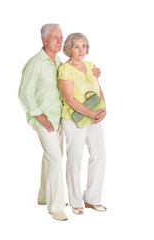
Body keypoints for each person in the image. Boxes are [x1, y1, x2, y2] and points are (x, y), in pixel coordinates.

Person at [18, 24, 100, 221]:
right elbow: (24, 94)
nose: (59, 41)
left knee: (52, 157)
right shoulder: (36, 63)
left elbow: (74, 78)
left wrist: (94, 72)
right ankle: (55, 206)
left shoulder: (59, 62)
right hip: (44, 119)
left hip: (59, 118)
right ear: (43, 40)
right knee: (55, 158)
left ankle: (44, 196)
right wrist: (40, 116)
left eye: (61, 37)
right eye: (54, 37)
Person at [57, 33, 107, 215]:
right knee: (75, 158)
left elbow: (98, 90)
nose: (81, 50)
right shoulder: (64, 69)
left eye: (84, 46)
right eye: (76, 46)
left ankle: (92, 198)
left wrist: (104, 108)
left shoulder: (90, 66)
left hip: (94, 117)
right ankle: (75, 201)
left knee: (99, 155)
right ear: (68, 48)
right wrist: (91, 113)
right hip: (73, 118)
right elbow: (69, 99)